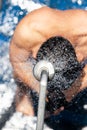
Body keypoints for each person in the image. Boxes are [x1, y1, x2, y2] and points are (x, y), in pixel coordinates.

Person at [10, 6, 87, 117]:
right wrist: (41, 90)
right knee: (20, 72)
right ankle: (24, 94)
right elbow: (19, 62)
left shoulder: (84, 40)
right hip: (37, 30)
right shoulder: (28, 32)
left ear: (79, 58)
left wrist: (69, 93)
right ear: (36, 55)